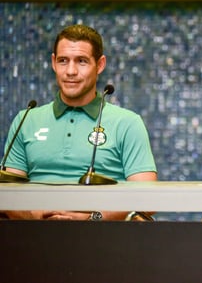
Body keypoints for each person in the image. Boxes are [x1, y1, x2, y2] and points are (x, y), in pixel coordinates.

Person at [1, 24, 157, 221]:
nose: (71, 71)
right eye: (63, 61)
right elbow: (8, 195)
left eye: (81, 61)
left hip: (105, 240)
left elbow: (149, 200)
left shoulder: (127, 123)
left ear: (99, 65)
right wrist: (35, 216)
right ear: (53, 63)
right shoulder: (27, 119)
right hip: (33, 238)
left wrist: (92, 217)